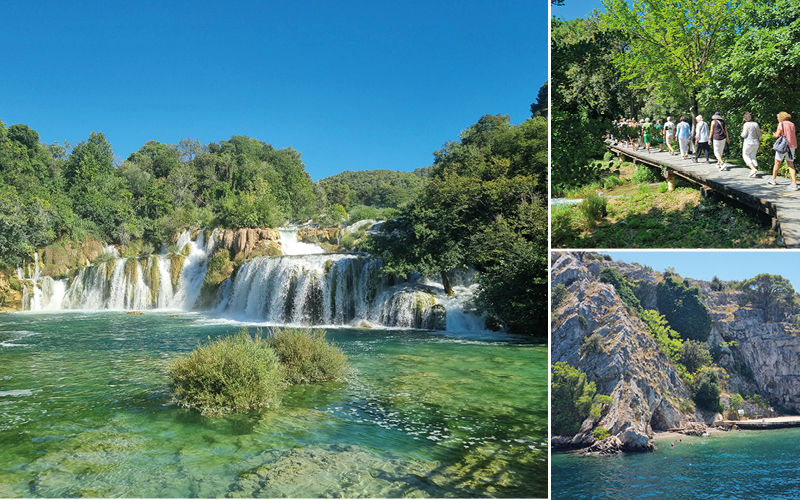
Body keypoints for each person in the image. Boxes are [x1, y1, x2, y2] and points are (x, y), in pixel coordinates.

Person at [769, 111, 798, 189]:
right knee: (791, 164)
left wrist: (774, 134)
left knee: (777, 163)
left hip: (783, 146)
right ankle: (794, 184)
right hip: (792, 146)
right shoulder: (792, 124)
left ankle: (773, 180)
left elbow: (777, 135)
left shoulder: (781, 124)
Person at [741, 112, 762, 178]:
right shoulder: (756, 124)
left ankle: (753, 169)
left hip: (748, 143)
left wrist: (741, 134)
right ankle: (754, 171)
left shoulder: (746, 124)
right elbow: (760, 134)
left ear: (746, 118)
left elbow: (744, 135)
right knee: (753, 156)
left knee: (745, 155)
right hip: (756, 143)